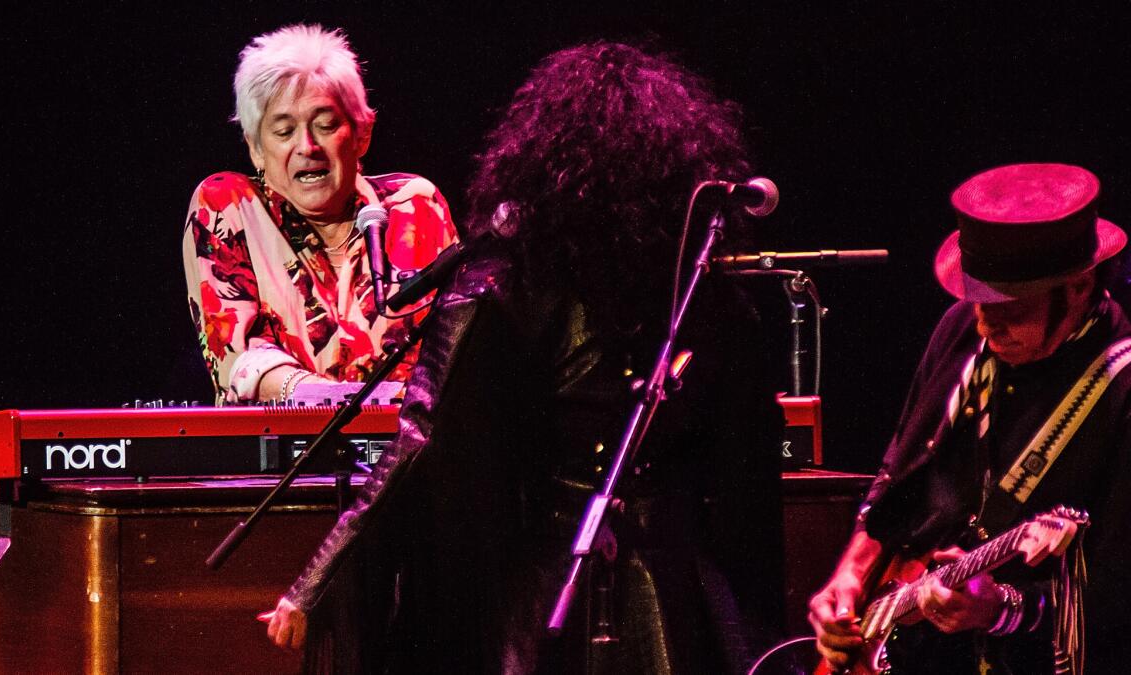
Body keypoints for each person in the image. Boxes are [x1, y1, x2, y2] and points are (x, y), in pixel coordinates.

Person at [265, 42, 787, 673]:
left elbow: (425, 436)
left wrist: (316, 580)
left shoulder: (509, 277)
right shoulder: (699, 285)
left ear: (543, 159)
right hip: (681, 601)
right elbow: (748, 472)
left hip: (548, 595)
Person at [808, 163, 1131, 673]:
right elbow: (901, 469)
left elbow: (1117, 592)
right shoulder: (962, 329)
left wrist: (1001, 610)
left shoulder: (1120, 388)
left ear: (1078, 286)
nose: (984, 320)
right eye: (978, 298)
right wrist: (851, 575)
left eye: (1008, 306)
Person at [182, 24, 457, 405]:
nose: (307, 146)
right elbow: (239, 361)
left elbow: (458, 344)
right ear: (255, 149)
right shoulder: (228, 205)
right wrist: (332, 400)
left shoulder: (415, 206)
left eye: (325, 125)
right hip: (280, 460)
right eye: (283, 131)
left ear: (362, 134)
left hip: (411, 452)